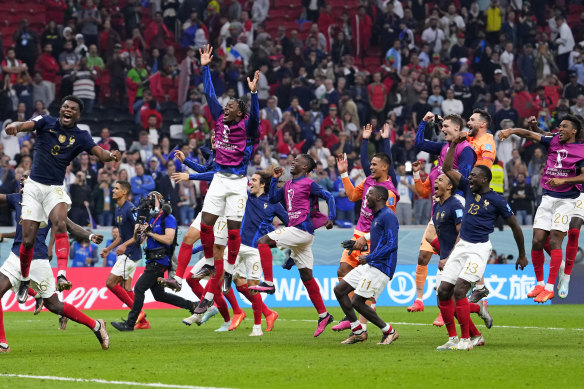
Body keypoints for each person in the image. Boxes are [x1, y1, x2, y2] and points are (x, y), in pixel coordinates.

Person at [3, 95, 121, 303]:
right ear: (61, 110)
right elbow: (26, 124)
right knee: (28, 241)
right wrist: (16, 125)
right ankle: (23, 279)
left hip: (55, 189)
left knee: (59, 222)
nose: (68, 109)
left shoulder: (81, 136)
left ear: (78, 115)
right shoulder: (45, 121)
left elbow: (99, 153)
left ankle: (62, 274)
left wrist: (110, 156)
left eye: (73, 108)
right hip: (34, 186)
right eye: (65, 106)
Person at [0, 173, 109, 352]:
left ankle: (96, 325)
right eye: (21, 179)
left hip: (38, 259)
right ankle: (2, 343)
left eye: (26, 179)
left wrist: (89, 235)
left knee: (55, 305)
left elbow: (70, 226)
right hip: (15, 257)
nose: (22, 181)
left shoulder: (48, 204)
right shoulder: (17, 199)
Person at [438, 131, 527, 350]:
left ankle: (468, 339)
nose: (470, 178)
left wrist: (522, 254)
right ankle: (460, 336)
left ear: (484, 179)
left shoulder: (496, 199)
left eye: (475, 175)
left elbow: (515, 226)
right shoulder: (468, 189)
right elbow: (447, 169)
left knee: (460, 291)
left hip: (479, 248)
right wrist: (453, 145)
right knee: (443, 291)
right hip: (462, 246)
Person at [191, 45, 260, 316]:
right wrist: (205, 67)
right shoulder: (219, 119)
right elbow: (209, 93)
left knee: (233, 231)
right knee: (206, 223)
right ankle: (210, 261)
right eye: (226, 105)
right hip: (219, 178)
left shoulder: (248, 126)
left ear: (239, 113)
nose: (226, 107)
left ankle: (229, 271)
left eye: (231, 106)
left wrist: (254, 94)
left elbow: (254, 116)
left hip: (238, 182)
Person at [158, 143, 248, 331]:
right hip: (210, 206)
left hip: (225, 209)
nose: (215, 137)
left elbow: (215, 175)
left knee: (218, 260)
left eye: (218, 134)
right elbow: (208, 169)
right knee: (189, 238)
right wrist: (187, 161)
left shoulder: (230, 155)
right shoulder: (216, 155)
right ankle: (178, 279)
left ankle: (229, 311)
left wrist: (189, 175)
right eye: (214, 134)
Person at [498, 115, 584, 303]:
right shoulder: (552, 141)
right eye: (559, 126)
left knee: (555, 241)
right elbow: (529, 134)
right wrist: (511, 131)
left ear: (574, 131)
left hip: (567, 201)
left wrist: (564, 180)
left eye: (564, 126)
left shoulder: (581, 150)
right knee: (537, 241)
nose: (559, 129)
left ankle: (551, 287)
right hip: (546, 198)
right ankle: (539, 283)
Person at [249, 155, 336, 337]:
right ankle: (324, 315)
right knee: (306, 276)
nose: (292, 162)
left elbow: (328, 196)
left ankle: (269, 283)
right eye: (293, 159)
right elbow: (273, 199)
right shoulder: (288, 184)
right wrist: (274, 180)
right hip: (302, 235)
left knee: (262, 242)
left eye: (297, 160)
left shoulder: (309, 183)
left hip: (301, 229)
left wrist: (331, 217)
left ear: (305, 167)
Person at [331, 123, 399, 332]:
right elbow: (352, 196)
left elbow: (388, 224)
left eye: (375, 164)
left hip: (371, 238)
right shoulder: (369, 181)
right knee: (342, 270)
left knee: (365, 283)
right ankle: (351, 316)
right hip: (357, 233)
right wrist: (344, 174)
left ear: (385, 167)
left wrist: (384, 140)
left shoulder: (389, 192)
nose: (370, 166)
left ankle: (362, 323)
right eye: (370, 164)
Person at [408, 112, 476, 316]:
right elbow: (419, 143)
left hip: (456, 205)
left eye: (446, 126)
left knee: (450, 254)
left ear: (457, 128)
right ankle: (423, 300)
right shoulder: (445, 147)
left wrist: (449, 195)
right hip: (439, 207)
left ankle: (463, 295)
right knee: (427, 251)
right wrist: (423, 121)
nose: (443, 129)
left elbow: (462, 180)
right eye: (442, 125)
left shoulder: (466, 150)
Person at [206, 171, 285, 336]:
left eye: (254, 180)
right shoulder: (245, 196)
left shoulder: (273, 203)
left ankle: (257, 327)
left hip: (255, 250)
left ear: (262, 184)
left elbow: (290, 224)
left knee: (253, 287)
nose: (251, 182)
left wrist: (275, 238)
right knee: (222, 280)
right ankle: (251, 312)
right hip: (236, 247)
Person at [111, 192, 196, 331]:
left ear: (161, 202)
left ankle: (130, 323)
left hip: (160, 260)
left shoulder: (168, 218)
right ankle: (192, 305)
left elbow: (169, 239)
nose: (149, 203)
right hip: (152, 260)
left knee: (139, 288)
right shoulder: (151, 219)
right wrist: (139, 222)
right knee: (159, 295)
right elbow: (139, 239)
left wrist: (149, 232)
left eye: (152, 200)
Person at [333, 185, 399, 345]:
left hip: (381, 267)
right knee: (339, 290)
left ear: (378, 198)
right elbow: (380, 242)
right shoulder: (377, 217)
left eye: (369, 194)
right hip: (371, 263)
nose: (365, 197)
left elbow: (392, 244)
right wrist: (357, 244)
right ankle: (357, 331)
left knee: (357, 301)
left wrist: (370, 257)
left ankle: (389, 331)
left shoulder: (388, 216)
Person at [99, 180, 149, 330]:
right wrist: (108, 249)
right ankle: (143, 322)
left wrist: (124, 246)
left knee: (110, 283)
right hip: (126, 252)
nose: (113, 190)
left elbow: (139, 235)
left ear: (124, 192)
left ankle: (138, 313)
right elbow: (121, 236)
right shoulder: (118, 209)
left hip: (131, 253)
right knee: (126, 288)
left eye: (116, 188)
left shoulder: (131, 209)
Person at [465, 108, 498, 303]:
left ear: (482, 124)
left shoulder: (486, 142)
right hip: (465, 190)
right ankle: (478, 287)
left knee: (473, 239)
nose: (468, 122)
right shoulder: (472, 140)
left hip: (475, 193)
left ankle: (479, 285)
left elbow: (483, 170)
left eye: (471, 119)